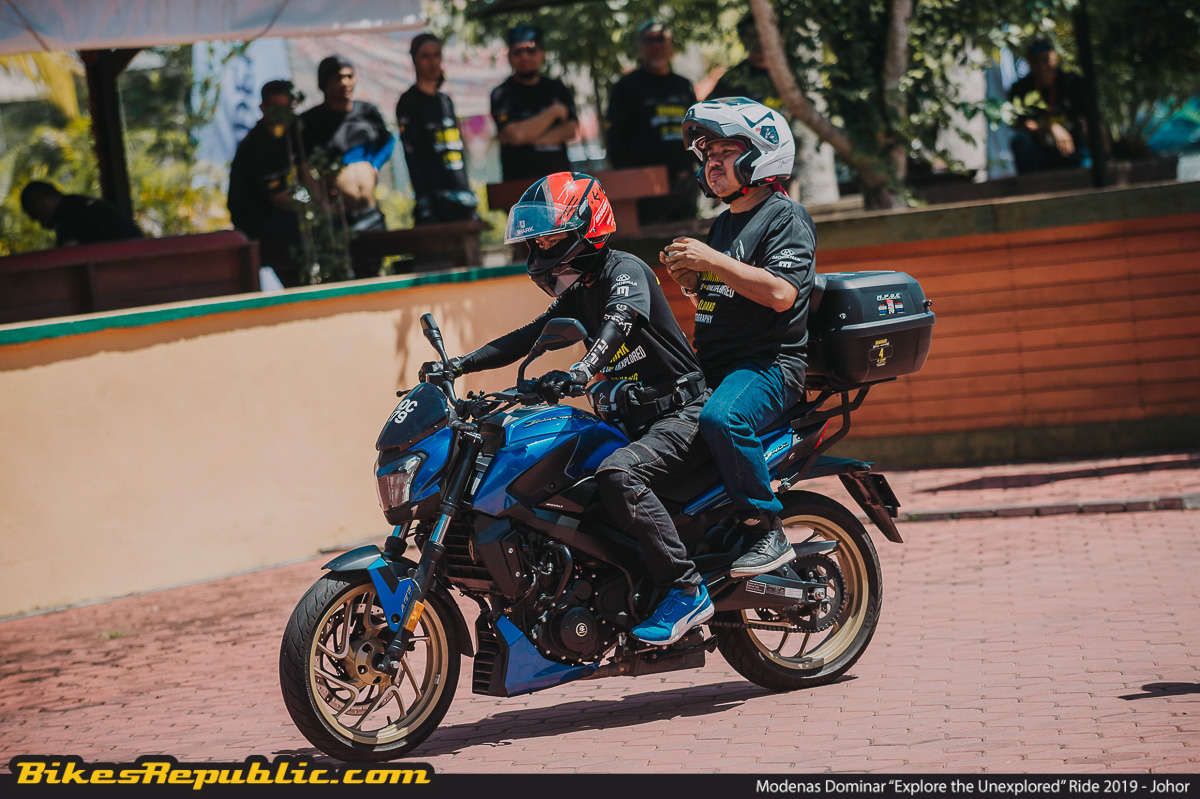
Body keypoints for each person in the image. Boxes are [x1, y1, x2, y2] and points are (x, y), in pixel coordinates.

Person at [420, 172, 713, 646]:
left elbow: (618, 324)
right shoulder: (580, 291)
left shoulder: (625, 270)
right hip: (630, 421)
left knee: (619, 476)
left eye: (551, 238)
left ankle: (686, 588)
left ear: (588, 227)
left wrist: (580, 372)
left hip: (681, 413)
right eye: (537, 242)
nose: (542, 250)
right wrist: (458, 365)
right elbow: (526, 337)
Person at [661, 98, 815, 577]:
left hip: (767, 366)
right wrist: (693, 284)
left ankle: (766, 529)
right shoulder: (724, 223)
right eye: (707, 155)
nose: (713, 163)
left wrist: (711, 260)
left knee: (723, 418)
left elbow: (781, 293)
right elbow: (724, 300)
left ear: (762, 154)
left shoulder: (785, 217)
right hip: (717, 365)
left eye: (725, 152)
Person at [606, 20, 699, 225]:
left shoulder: (683, 86)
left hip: (684, 185)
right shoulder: (627, 87)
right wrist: (629, 181)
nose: (656, 46)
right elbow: (615, 139)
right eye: (650, 40)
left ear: (671, 45)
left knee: (687, 241)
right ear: (640, 46)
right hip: (645, 189)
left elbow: (697, 132)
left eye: (662, 39)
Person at [300, 55, 395, 234]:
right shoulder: (311, 121)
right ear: (325, 83)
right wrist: (319, 198)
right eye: (338, 78)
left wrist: (374, 165)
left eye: (349, 77)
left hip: (371, 211)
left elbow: (388, 141)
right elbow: (303, 165)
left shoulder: (367, 111)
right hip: (339, 217)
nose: (345, 83)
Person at [396, 33, 479, 226]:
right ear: (414, 60)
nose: (433, 62)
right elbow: (412, 155)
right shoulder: (408, 102)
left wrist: (466, 189)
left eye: (437, 55)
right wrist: (424, 200)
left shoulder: (445, 101)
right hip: (434, 204)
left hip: (461, 199)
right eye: (425, 56)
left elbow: (457, 149)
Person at [227, 80, 304, 287]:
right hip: (258, 223)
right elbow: (280, 198)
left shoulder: (292, 136)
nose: (282, 114)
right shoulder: (257, 145)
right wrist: (310, 203)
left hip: (280, 216)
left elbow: (305, 178)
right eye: (276, 108)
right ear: (263, 108)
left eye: (287, 108)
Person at [490, 25, 579, 182]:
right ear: (509, 56)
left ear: (542, 53)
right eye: (518, 52)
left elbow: (571, 130)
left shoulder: (558, 88)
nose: (525, 57)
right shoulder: (501, 94)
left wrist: (528, 138)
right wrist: (554, 112)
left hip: (560, 182)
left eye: (530, 50)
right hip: (520, 185)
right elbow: (516, 136)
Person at [1007, 39, 1090, 174]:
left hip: (1071, 147)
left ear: (1055, 58)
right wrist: (1049, 128)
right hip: (1039, 151)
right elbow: (1018, 123)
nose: (1042, 67)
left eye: (1046, 60)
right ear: (1029, 62)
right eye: (1036, 62)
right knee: (1021, 140)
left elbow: (1087, 119)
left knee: (1086, 153)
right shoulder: (1020, 89)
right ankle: (1031, 183)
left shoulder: (1071, 82)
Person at [19, 181, 142, 247]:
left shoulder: (68, 214)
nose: (41, 224)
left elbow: (68, 256)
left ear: (42, 203)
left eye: (37, 217)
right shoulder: (77, 204)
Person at [706, 14, 785, 113]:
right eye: (751, 36)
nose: (757, 42)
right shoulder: (731, 79)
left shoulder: (790, 76)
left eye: (762, 36)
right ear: (743, 39)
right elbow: (710, 111)